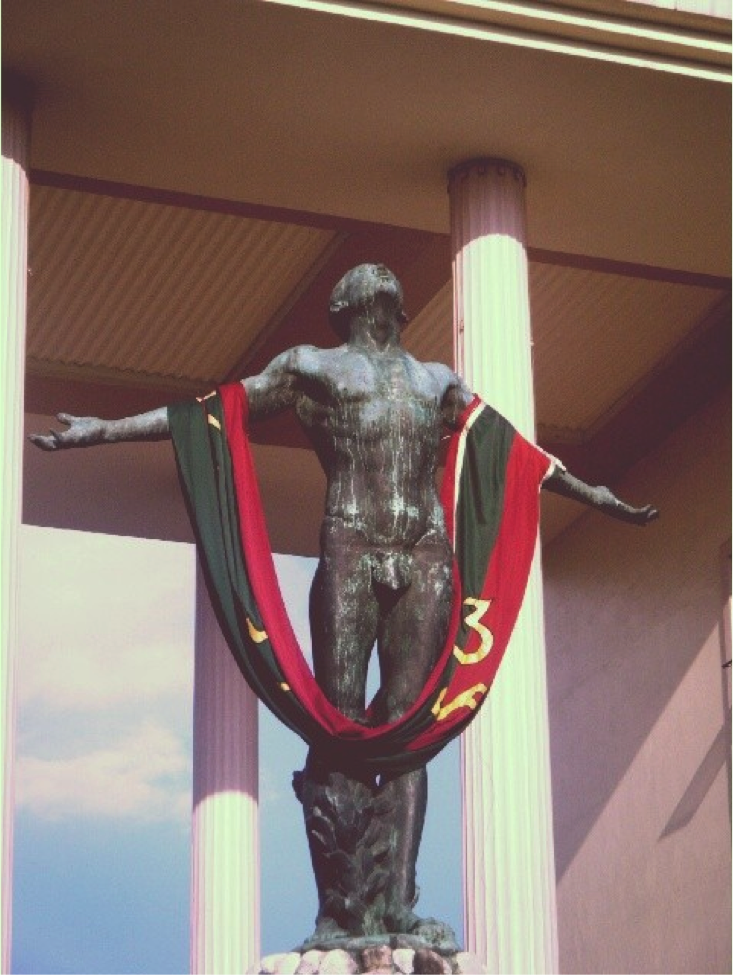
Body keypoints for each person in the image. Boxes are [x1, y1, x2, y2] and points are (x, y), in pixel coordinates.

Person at [31, 263, 657, 945]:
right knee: (338, 721)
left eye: (387, 276)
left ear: (399, 306)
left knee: (411, 726)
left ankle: (397, 906)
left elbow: (516, 455)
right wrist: (104, 429)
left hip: (425, 549)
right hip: (352, 544)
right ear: (342, 304)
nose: (380, 274)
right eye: (367, 275)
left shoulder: (439, 380)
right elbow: (212, 414)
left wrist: (592, 493)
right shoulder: (311, 367)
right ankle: (341, 906)